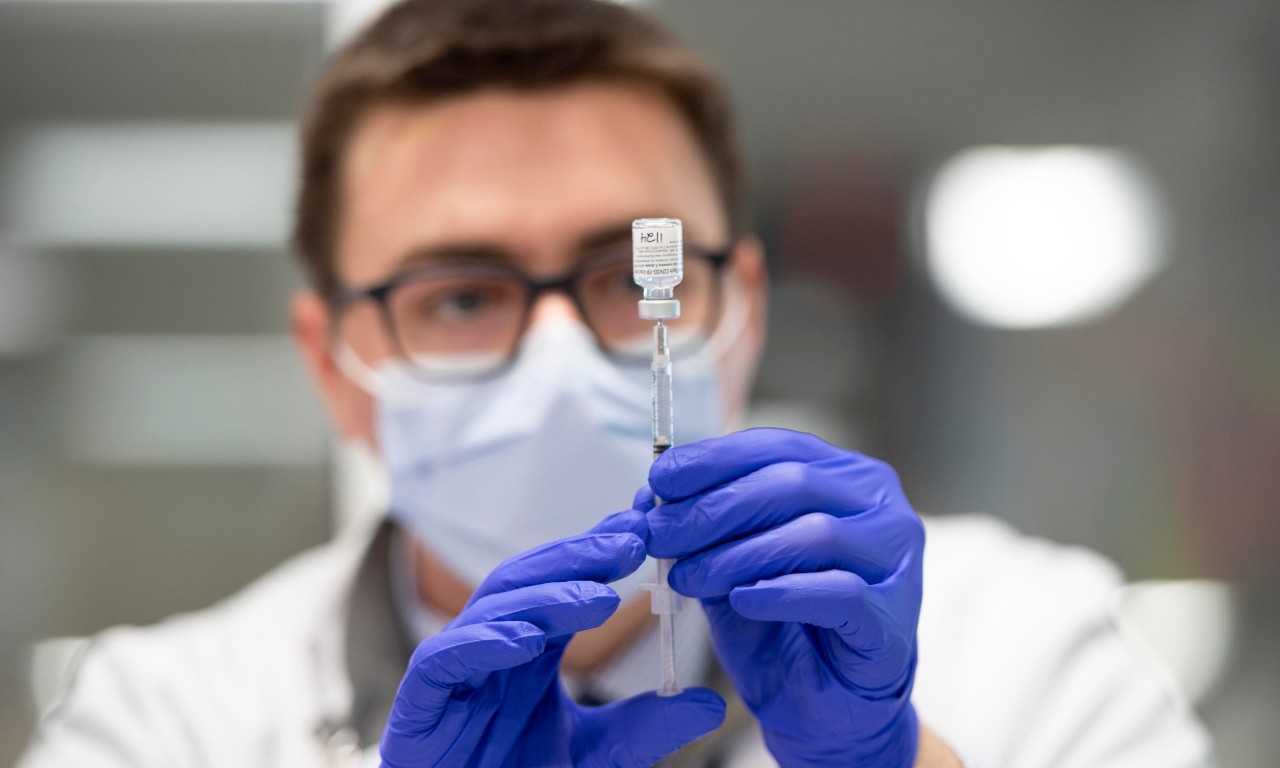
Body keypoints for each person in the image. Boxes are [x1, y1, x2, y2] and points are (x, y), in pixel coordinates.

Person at [19, 1, 1213, 766]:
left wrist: (897, 766)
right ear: (336, 367)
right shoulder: (165, 719)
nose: (553, 356)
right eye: (459, 294)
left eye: (617, 274)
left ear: (736, 313)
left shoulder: (1028, 644)